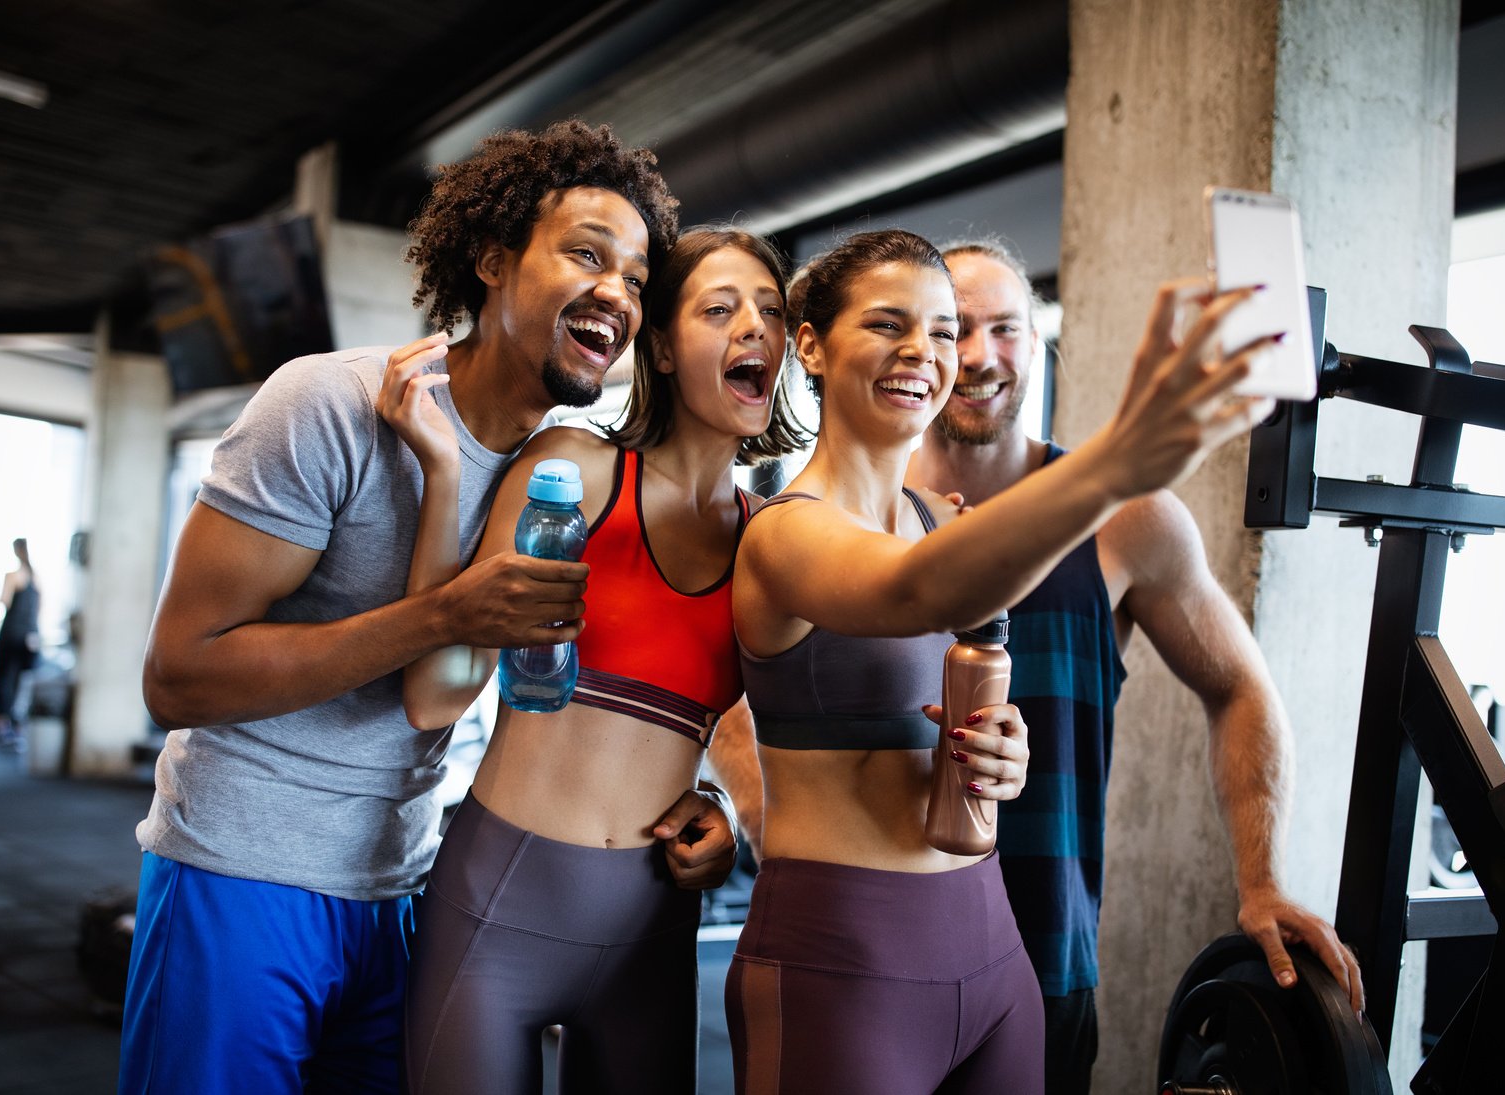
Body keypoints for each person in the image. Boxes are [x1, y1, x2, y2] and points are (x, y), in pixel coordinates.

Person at [119, 121, 737, 1094]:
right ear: (491, 261)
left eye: (636, 277)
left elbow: (645, 672)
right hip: (243, 872)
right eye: (585, 254)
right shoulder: (327, 405)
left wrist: (712, 800)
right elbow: (179, 676)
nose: (615, 292)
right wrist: (445, 617)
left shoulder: (563, 474)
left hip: (403, 883)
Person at [723, 229, 1276, 1094]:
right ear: (810, 346)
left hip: (997, 950)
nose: (929, 351)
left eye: (941, 330)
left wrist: (1001, 748)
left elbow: (960, 662)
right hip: (847, 957)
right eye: (888, 324)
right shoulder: (783, 533)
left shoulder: (942, 520)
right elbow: (915, 593)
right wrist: (1114, 463)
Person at [898, 239, 1363, 1093]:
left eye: (1005, 328)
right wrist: (750, 809)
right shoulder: (856, 511)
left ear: (1038, 346)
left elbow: (1241, 686)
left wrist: (1261, 880)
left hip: (1043, 959)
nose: (977, 354)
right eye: (953, 329)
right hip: (874, 945)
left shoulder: (1128, 518)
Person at [395, 226, 807, 1093]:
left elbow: (742, 732)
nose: (755, 331)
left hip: (654, 928)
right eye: (720, 309)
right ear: (659, 342)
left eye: (770, 312)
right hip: (496, 908)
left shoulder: (767, 542)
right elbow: (438, 693)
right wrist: (441, 474)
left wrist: (726, 818)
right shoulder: (572, 470)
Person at [0, 537, 40, 746]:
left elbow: (5, 600)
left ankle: (2, 725)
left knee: (4, 677)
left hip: (11, 633)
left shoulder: (13, 576)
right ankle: (17, 726)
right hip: (30, 636)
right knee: (21, 681)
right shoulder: (37, 580)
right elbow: (38, 611)